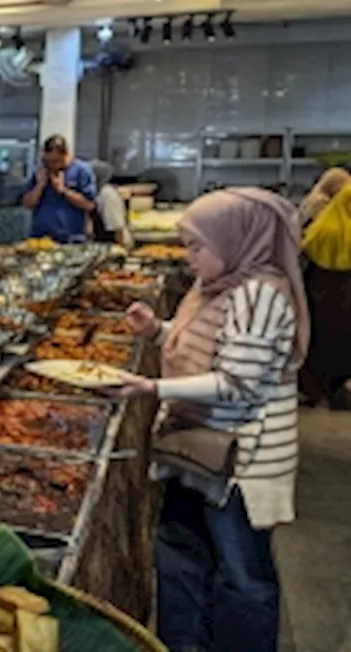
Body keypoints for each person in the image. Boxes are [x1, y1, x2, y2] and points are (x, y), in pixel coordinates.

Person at [110, 188, 308, 652]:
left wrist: (151, 388)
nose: (188, 257)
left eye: (197, 246)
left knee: (242, 577)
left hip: (240, 461)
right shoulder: (217, 285)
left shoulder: (260, 296)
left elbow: (238, 382)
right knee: (180, 557)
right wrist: (156, 331)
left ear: (237, 239)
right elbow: (206, 351)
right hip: (196, 448)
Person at [299, 182, 351, 408]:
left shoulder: (321, 228)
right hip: (345, 303)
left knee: (319, 347)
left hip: (319, 297)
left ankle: (319, 393)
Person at [20, 135, 97, 242]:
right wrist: (39, 186)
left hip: (72, 238)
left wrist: (63, 190)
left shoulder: (82, 171)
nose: (51, 165)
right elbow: (27, 204)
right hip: (41, 237)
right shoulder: (40, 171)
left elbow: (89, 204)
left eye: (55, 161)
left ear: (65, 155)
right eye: (47, 161)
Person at [89, 160, 133, 248]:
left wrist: (122, 251)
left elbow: (117, 227)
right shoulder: (96, 193)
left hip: (116, 242)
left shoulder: (107, 194)